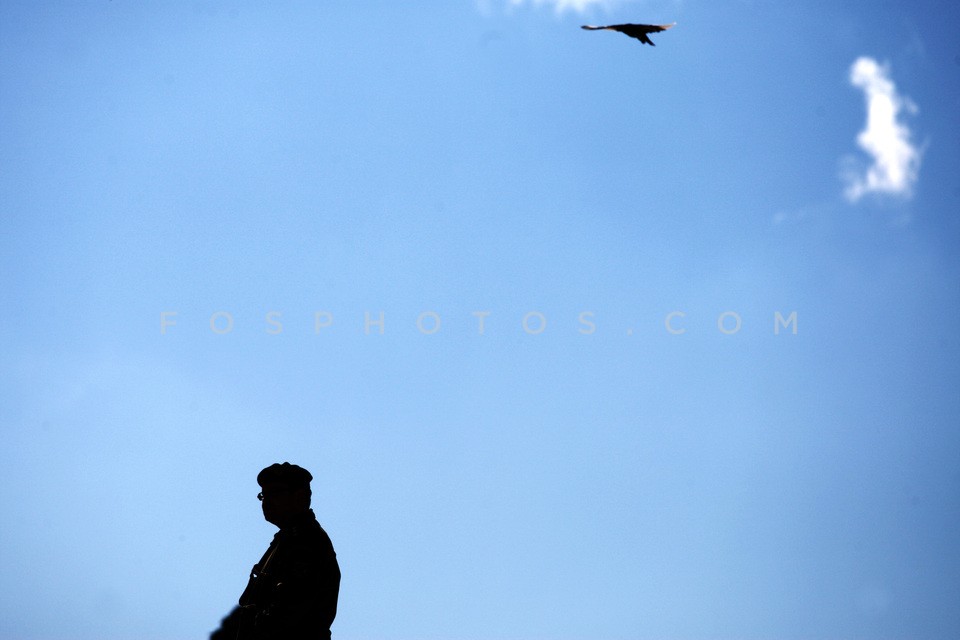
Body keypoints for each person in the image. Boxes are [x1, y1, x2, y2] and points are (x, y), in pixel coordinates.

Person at [230, 462, 341, 640]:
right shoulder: (285, 541)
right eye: (263, 495)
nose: (266, 501)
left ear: (300, 496)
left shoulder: (306, 541)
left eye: (274, 493)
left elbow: (292, 606)